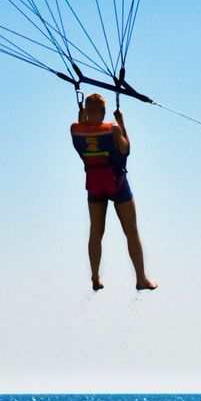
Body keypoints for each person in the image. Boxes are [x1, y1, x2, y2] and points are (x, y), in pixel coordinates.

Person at [71, 92, 156, 291]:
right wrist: (122, 123)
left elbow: (83, 131)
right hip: (116, 182)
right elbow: (126, 150)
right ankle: (141, 279)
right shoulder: (113, 129)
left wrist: (82, 116)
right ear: (103, 112)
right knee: (131, 231)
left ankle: (95, 277)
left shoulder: (75, 130)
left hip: (94, 184)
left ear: (85, 111)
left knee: (95, 232)